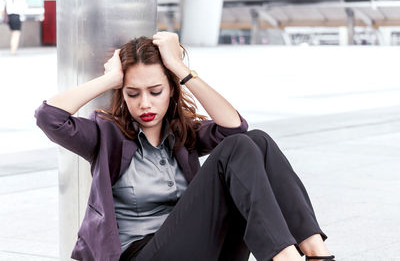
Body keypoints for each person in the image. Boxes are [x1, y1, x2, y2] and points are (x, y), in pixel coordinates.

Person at [34, 31, 335, 261]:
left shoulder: (184, 134)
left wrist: (180, 67)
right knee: (238, 147)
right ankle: (284, 255)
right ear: (121, 94)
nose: (145, 104)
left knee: (256, 140)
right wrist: (109, 78)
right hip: (140, 254)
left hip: (192, 247)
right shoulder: (106, 134)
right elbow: (50, 117)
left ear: (170, 89)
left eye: (155, 91)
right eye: (133, 93)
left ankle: (315, 251)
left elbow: (235, 127)